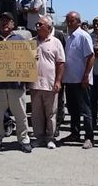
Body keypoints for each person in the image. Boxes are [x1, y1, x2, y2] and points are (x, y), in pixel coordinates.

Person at [0, 12, 33, 154]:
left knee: (21, 115)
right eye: (2, 20)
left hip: (16, 85)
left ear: (13, 24)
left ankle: (24, 140)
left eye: (8, 21)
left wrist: (32, 58)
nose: (4, 23)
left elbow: (27, 62)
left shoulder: (20, 41)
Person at [61, 11, 95, 149]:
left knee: (85, 109)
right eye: (67, 21)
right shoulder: (69, 37)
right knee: (73, 109)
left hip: (82, 80)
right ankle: (74, 133)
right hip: (70, 80)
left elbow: (91, 57)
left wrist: (86, 76)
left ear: (79, 22)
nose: (69, 24)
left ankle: (89, 137)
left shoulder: (83, 36)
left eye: (72, 21)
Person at [31, 16, 65, 149]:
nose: (38, 27)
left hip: (50, 84)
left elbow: (61, 63)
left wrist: (58, 81)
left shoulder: (56, 42)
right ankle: (39, 138)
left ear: (49, 27)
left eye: (40, 24)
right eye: (37, 24)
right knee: (37, 113)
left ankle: (50, 138)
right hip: (34, 84)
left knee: (51, 113)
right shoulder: (32, 42)